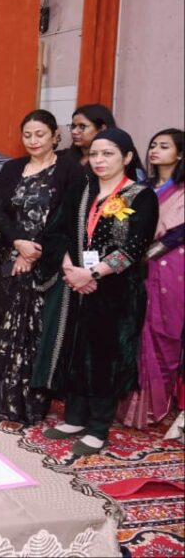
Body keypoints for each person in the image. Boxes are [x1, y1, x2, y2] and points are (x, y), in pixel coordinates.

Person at [36, 128, 158, 455]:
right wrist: (70, 270)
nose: (99, 160)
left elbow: (133, 248)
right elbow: (57, 232)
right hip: (75, 285)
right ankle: (75, 417)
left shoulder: (141, 196)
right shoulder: (82, 190)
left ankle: (99, 427)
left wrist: (91, 273)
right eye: (94, 154)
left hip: (116, 292)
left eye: (108, 154)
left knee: (104, 356)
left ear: (127, 157)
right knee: (76, 350)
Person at [0, 111, 85, 424]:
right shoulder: (13, 168)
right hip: (11, 258)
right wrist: (18, 243)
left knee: (38, 331)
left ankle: (30, 403)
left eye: (40, 134)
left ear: (55, 135)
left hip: (47, 263)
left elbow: (69, 218)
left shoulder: (70, 170)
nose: (33, 140)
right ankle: (0, 397)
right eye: (27, 135)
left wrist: (33, 252)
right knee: (8, 327)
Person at [118, 128, 184, 428]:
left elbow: (180, 230)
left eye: (164, 146)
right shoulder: (141, 187)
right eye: (153, 144)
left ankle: (154, 405)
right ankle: (127, 403)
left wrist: (153, 250)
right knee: (134, 327)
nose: (155, 150)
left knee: (161, 330)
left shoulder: (181, 190)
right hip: (134, 265)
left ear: (180, 154)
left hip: (169, 266)